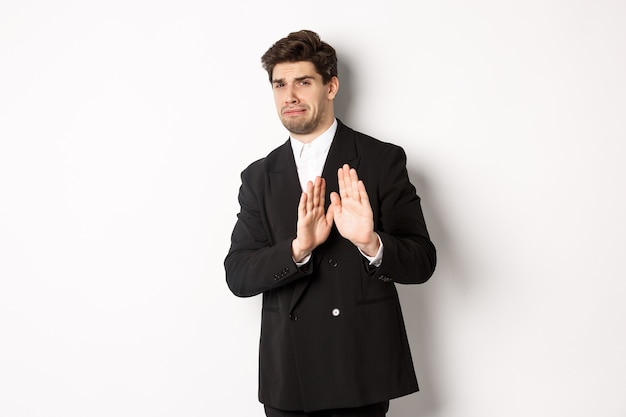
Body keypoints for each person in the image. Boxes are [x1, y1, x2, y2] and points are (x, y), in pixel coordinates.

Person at [224, 30, 436, 417]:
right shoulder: (258, 176)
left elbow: (422, 262)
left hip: (358, 370)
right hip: (289, 377)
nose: (289, 96)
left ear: (331, 86)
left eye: (303, 82)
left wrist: (371, 242)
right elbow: (238, 275)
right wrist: (297, 249)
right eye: (279, 84)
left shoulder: (381, 160)